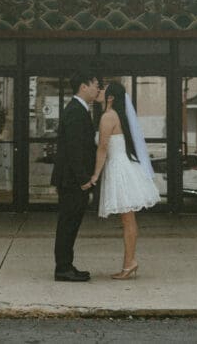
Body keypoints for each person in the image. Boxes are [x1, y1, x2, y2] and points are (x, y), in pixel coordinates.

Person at [83, 80, 160, 279]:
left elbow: (102, 148)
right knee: (128, 219)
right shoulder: (117, 115)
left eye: (103, 89)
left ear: (110, 97)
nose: (99, 90)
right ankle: (129, 262)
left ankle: (129, 263)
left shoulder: (108, 117)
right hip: (122, 167)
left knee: (127, 219)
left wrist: (95, 175)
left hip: (119, 170)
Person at [50, 67, 101, 282]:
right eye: (96, 85)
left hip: (74, 179)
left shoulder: (79, 109)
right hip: (72, 180)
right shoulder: (75, 111)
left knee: (71, 224)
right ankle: (63, 268)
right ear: (84, 86)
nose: (98, 89)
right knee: (68, 224)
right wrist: (83, 179)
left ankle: (67, 265)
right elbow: (74, 148)